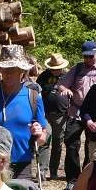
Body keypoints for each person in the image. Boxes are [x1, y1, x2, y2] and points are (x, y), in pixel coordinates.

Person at [0, 44, 49, 182]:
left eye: (12, 69)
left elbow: (42, 138)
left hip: (22, 164)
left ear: (21, 71)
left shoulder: (34, 97)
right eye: (4, 68)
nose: (7, 73)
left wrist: (38, 134)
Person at [56, 40, 96, 190]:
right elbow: (61, 84)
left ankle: (87, 179)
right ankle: (72, 180)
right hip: (75, 113)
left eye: (91, 56)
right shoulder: (77, 69)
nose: (88, 59)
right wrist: (65, 90)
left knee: (92, 147)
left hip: (95, 115)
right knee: (71, 145)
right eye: (85, 56)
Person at [36, 52, 72, 181]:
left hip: (61, 114)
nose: (55, 71)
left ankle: (53, 171)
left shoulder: (68, 76)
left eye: (57, 68)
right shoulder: (43, 76)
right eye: (53, 68)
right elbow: (38, 91)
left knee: (58, 143)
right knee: (45, 140)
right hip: (44, 114)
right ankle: (42, 170)